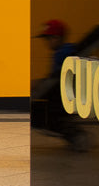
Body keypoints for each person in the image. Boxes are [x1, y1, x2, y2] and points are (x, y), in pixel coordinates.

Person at [32, 19, 91, 151]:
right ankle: (73, 134)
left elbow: (57, 79)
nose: (46, 42)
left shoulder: (65, 53)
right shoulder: (63, 52)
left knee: (38, 114)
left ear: (57, 37)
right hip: (60, 96)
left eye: (48, 38)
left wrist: (37, 85)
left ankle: (75, 135)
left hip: (62, 98)